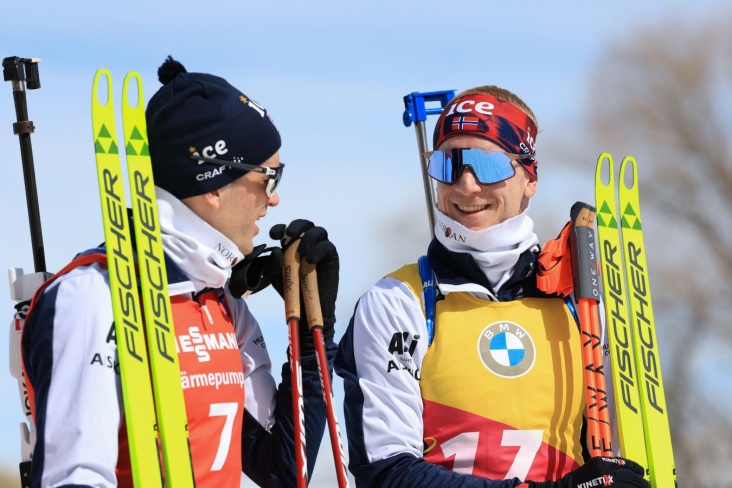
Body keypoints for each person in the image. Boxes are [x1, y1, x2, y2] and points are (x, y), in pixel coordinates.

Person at [20, 56, 339, 487]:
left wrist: (311, 341)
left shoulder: (221, 303)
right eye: (269, 178)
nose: (274, 198)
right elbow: (73, 478)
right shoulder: (91, 296)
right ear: (212, 184)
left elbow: (283, 470)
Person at [334, 86, 649, 487]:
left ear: (530, 178)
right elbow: (387, 474)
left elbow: (617, 455)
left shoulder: (580, 301)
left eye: (488, 165)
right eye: (449, 164)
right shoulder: (397, 302)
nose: (466, 185)